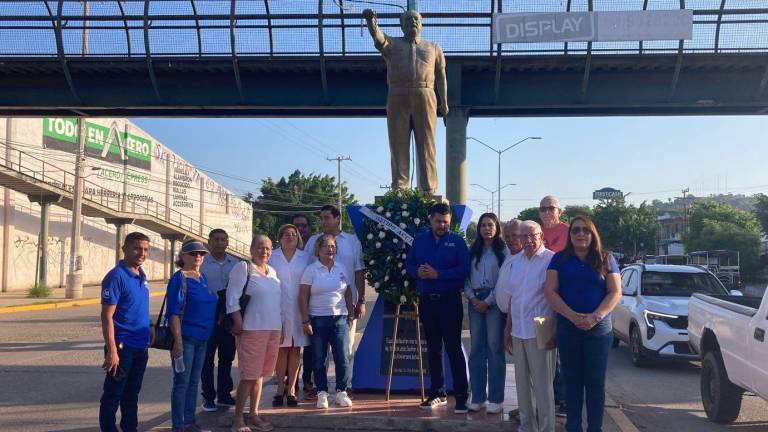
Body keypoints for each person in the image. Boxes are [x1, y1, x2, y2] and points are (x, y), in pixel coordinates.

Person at [545, 216, 621, 432]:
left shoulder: (606, 258)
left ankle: (595, 428)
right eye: (576, 230)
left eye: (585, 230)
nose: (580, 234)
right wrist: (571, 316)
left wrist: (594, 317)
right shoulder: (559, 259)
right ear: (570, 235)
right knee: (572, 382)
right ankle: (573, 428)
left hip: (599, 330)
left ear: (592, 234)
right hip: (568, 328)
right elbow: (550, 291)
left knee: (595, 384)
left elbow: (615, 292)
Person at [362, 8, 448, 193]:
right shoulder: (392, 44)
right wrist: (371, 21)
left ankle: (428, 188)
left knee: (427, 144)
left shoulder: (434, 47)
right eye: (408, 19)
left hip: (426, 94)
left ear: (422, 23)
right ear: (401, 24)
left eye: (416, 19)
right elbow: (378, 39)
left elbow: (441, 76)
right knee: (398, 143)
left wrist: (444, 102)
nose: (413, 22)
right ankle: (400, 188)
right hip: (397, 94)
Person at [405, 202, 470, 413]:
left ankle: (461, 396)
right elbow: (409, 264)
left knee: (453, 348)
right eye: (439, 221)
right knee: (433, 349)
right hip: (427, 302)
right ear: (431, 220)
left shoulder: (457, 242)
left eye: (446, 222)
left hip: (450, 301)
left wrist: (438, 275)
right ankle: (437, 393)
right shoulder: (420, 240)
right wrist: (418, 272)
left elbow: (464, 270)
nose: (442, 225)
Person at [499, 220, 556, 432]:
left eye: (533, 235)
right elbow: (514, 298)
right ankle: (527, 426)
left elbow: (556, 297)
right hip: (518, 329)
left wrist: (555, 331)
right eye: (524, 236)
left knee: (542, 386)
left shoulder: (551, 260)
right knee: (522, 385)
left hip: (541, 328)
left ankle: (547, 428)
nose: (528, 240)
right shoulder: (517, 262)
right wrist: (507, 330)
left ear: (541, 236)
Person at [99, 232, 154, 432]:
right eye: (137, 248)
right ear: (125, 249)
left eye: (146, 249)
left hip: (141, 345)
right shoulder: (116, 276)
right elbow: (107, 317)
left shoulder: (142, 275)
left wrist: (150, 327)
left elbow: (137, 307)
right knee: (113, 394)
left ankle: (130, 428)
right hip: (122, 346)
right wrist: (112, 351)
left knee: (132, 394)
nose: (142, 253)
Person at [227, 235, 283, 432]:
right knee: (249, 375)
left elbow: (276, 302)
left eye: (268, 248)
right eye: (260, 247)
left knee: (260, 375)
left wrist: (280, 327)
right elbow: (232, 298)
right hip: (251, 329)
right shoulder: (244, 268)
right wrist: (239, 323)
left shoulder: (273, 271)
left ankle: (254, 414)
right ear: (251, 249)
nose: (264, 251)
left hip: (272, 329)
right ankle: (238, 419)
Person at [298, 234, 355, 409]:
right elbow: (303, 296)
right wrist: (305, 319)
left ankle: (341, 391)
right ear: (318, 250)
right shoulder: (311, 270)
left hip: (340, 318)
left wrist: (350, 314)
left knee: (342, 357)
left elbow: (347, 291)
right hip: (318, 320)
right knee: (319, 358)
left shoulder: (341, 268)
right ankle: (322, 392)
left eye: (333, 247)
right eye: (326, 246)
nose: (330, 249)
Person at [167, 240, 218, 432]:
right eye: (193, 253)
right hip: (185, 339)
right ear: (182, 256)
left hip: (202, 339)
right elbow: (173, 313)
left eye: (201, 254)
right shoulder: (179, 278)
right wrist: (177, 342)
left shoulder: (201, 277)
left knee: (194, 382)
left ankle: (189, 421)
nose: (198, 257)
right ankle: (178, 424)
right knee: (182, 382)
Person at [305, 205, 366, 359]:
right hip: (318, 309)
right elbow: (304, 271)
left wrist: (361, 300)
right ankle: (320, 383)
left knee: (345, 351)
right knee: (319, 355)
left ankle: (345, 383)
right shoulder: (313, 241)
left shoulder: (352, 241)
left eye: (326, 218)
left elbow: (358, 272)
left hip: (346, 308)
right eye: (321, 219)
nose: (322, 222)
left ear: (337, 219)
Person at [464, 213, 508, 414]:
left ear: (497, 228)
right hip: (475, 301)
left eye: (490, 225)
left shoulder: (503, 251)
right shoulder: (472, 251)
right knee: (476, 350)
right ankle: (478, 397)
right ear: (478, 229)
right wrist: (473, 298)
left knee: (494, 348)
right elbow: (464, 278)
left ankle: (496, 399)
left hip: (494, 302)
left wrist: (488, 300)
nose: (486, 228)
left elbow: (504, 280)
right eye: (483, 225)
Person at [269, 224, 311, 408]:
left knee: (295, 349)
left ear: (298, 238)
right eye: (285, 234)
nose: (290, 237)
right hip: (276, 308)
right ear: (279, 237)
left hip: (299, 308)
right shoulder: (272, 257)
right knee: (281, 349)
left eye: (293, 234)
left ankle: (292, 389)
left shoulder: (305, 257)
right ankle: (280, 389)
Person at [200, 229, 239, 411]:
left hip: (228, 316)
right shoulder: (202, 263)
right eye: (216, 239)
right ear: (209, 242)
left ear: (228, 242)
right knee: (207, 359)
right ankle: (208, 397)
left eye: (223, 239)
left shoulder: (235, 263)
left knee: (227, 357)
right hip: (207, 315)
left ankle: (224, 394)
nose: (220, 243)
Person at [539, 195, 570, 416]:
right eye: (543, 208)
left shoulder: (570, 231)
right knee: (544, 348)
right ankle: (547, 396)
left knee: (563, 352)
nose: (547, 212)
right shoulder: (535, 233)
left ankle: (565, 399)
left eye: (551, 208)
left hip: (563, 299)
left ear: (559, 211)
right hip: (539, 301)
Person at [292, 213, 316, 399]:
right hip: (287, 306)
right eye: (296, 226)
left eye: (303, 226)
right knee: (288, 346)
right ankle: (288, 383)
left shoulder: (311, 253)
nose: (299, 230)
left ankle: (307, 380)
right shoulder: (279, 252)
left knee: (309, 346)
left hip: (309, 305)